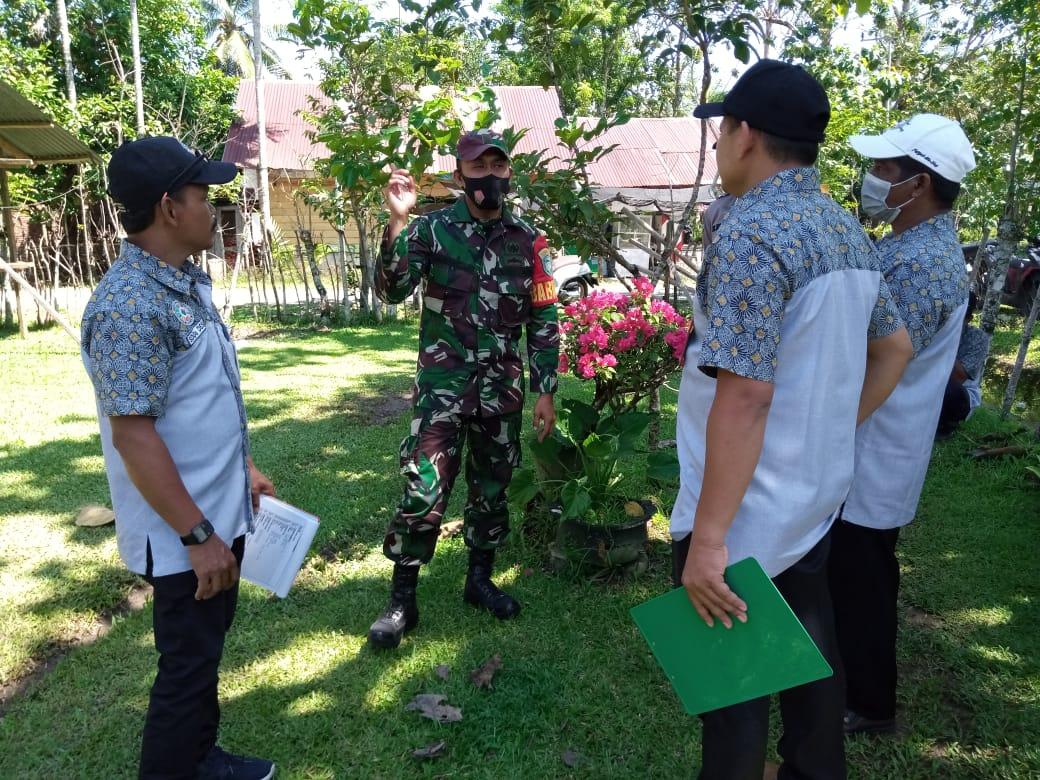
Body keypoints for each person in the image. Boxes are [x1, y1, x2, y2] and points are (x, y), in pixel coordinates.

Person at [670, 60, 913, 780]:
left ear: (745, 135)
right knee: (811, 653)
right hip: (813, 494)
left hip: (746, 508)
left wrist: (707, 542)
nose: (718, 146)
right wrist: (834, 428)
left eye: (722, 131)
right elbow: (893, 349)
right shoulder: (844, 232)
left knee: (735, 691)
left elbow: (744, 397)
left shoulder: (751, 236)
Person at [81, 137, 276, 780]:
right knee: (186, 669)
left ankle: (201, 761)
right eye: (203, 195)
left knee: (204, 655)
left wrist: (241, 469)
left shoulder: (181, 282)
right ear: (170, 207)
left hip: (215, 514)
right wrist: (197, 535)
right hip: (183, 534)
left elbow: (198, 399)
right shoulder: (130, 305)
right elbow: (133, 436)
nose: (213, 207)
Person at [367, 129, 559, 650]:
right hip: (443, 392)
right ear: (459, 176)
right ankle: (402, 599)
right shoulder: (431, 232)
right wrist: (398, 220)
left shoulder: (527, 240)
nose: (489, 178)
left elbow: (542, 315)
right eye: (479, 169)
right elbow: (392, 290)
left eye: (498, 168)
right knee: (423, 489)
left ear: (508, 175)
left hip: (502, 392)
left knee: (492, 490)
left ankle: (479, 581)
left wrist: (547, 388)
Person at [831, 114, 977, 735]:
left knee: (862, 581)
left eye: (885, 171)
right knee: (854, 576)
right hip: (868, 444)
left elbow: (882, 360)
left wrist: (831, 435)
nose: (873, 179)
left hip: (873, 450)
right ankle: (855, 688)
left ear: (919, 185)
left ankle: (869, 705)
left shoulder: (923, 263)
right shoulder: (904, 245)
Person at [936, 291, 989, 437]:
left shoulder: (978, 338)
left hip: (959, 393)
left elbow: (958, 377)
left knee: (949, 389)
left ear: (969, 319)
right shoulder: (933, 326)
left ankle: (946, 425)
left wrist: (945, 339)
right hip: (928, 382)